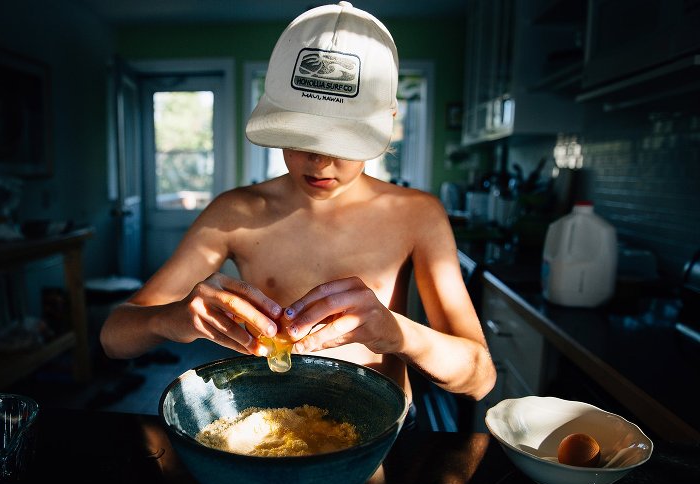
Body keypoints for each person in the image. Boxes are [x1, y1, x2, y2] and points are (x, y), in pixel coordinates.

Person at [100, 1, 496, 414]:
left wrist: (398, 333)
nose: (319, 162)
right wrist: (170, 318)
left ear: (388, 120)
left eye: (342, 141)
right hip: (272, 424)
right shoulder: (236, 212)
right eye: (300, 136)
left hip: (384, 430)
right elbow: (113, 337)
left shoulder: (417, 214)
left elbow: (480, 379)